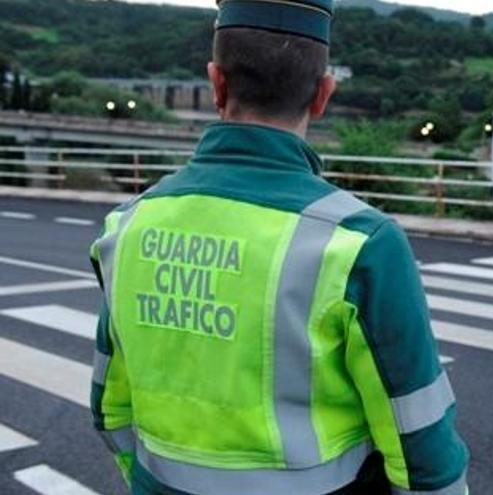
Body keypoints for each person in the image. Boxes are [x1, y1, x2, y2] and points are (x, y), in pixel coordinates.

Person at [88, 1, 469, 493]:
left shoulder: (128, 225)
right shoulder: (359, 243)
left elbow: (110, 409)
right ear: (323, 95)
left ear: (216, 83)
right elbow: (421, 448)